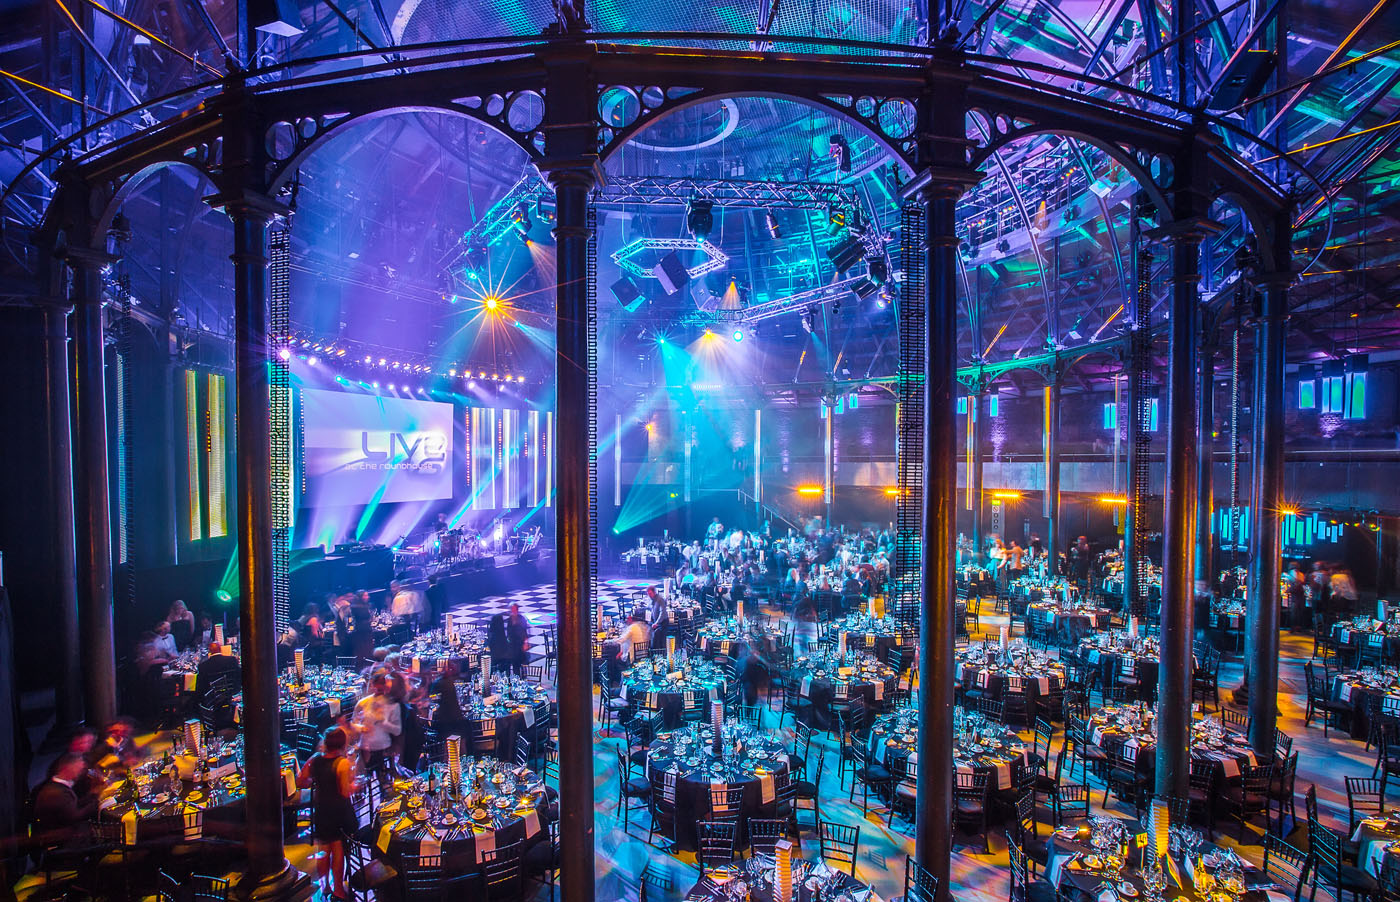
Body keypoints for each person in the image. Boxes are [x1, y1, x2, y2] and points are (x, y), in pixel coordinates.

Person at [297, 727, 361, 900]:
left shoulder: (315, 759)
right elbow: (345, 792)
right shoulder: (342, 763)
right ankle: (338, 889)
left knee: (323, 849)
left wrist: (316, 781)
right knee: (337, 849)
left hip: (321, 809)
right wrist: (356, 784)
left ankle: (325, 886)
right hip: (338, 811)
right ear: (342, 744)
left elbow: (301, 780)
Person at [30, 754, 99, 848]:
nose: (80, 772)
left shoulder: (58, 787)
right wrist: (96, 804)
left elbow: (73, 805)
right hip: (61, 843)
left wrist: (93, 795)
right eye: (78, 768)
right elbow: (75, 816)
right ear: (67, 768)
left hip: (64, 837)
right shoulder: (56, 793)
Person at [352, 673, 402, 785]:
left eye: (382, 687)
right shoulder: (363, 703)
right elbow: (353, 724)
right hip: (364, 746)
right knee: (357, 768)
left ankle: (381, 783)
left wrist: (383, 722)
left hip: (382, 747)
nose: (379, 691)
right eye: (377, 687)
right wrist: (362, 728)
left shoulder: (393, 705)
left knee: (376, 771)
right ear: (373, 686)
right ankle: (364, 785)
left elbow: (397, 730)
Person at [506, 603, 531, 675]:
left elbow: (525, 631)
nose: (512, 611)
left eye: (514, 609)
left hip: (520, 644)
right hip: (513, 645)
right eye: (511, 609)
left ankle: (523, 677)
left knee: (522, 662)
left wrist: (526, 643)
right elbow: (508, 632)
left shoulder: (521, 618)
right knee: (515, 663)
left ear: (517, 609)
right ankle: (516, 676)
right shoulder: (509, 620)